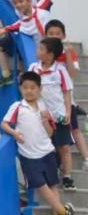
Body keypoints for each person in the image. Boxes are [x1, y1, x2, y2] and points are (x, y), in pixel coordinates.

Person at [1, 71, 79, 215]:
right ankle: (65, 213)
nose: (29, 91)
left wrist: (45, 121)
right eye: (25, 88)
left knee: (53, 185)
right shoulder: (17, 107)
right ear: (20, 89)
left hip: (48, 152)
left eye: (33, 87)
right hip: (29, 156)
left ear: (39, 89)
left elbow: (50, 133)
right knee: (41, 186)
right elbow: (4, 123)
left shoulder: (44, 106)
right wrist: (15, 133)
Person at [0, 0, 53, 88]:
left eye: (21, 1)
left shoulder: (41, 9)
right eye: (15, 3)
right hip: (39, 56)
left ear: (29, 0)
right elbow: (3, 30)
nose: (18, 5)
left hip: (53, 50)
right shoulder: (22, 23)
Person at [30, 38, 75, 189]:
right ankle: (49, 175)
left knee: (64, 147)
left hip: (59, 116)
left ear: (50, 54)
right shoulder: (33, 68)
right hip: (41, 117)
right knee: (46, 147)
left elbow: (66, 92)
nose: (38, 51)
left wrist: (68, 113)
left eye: (41, 49)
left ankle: (67, 177)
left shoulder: (60, 70)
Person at [45, 21, 88, 170]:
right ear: (45, 35)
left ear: (63, 35)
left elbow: (72, 73)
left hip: (67, 101)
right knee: (54, 135)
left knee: (75, 129)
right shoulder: (44, 54)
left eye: (58, 33)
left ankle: (86, 158)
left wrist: (68, 55)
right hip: (50, 104)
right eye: (51, 33)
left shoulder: (68, 52)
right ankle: (60, 166)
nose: (54, 36)